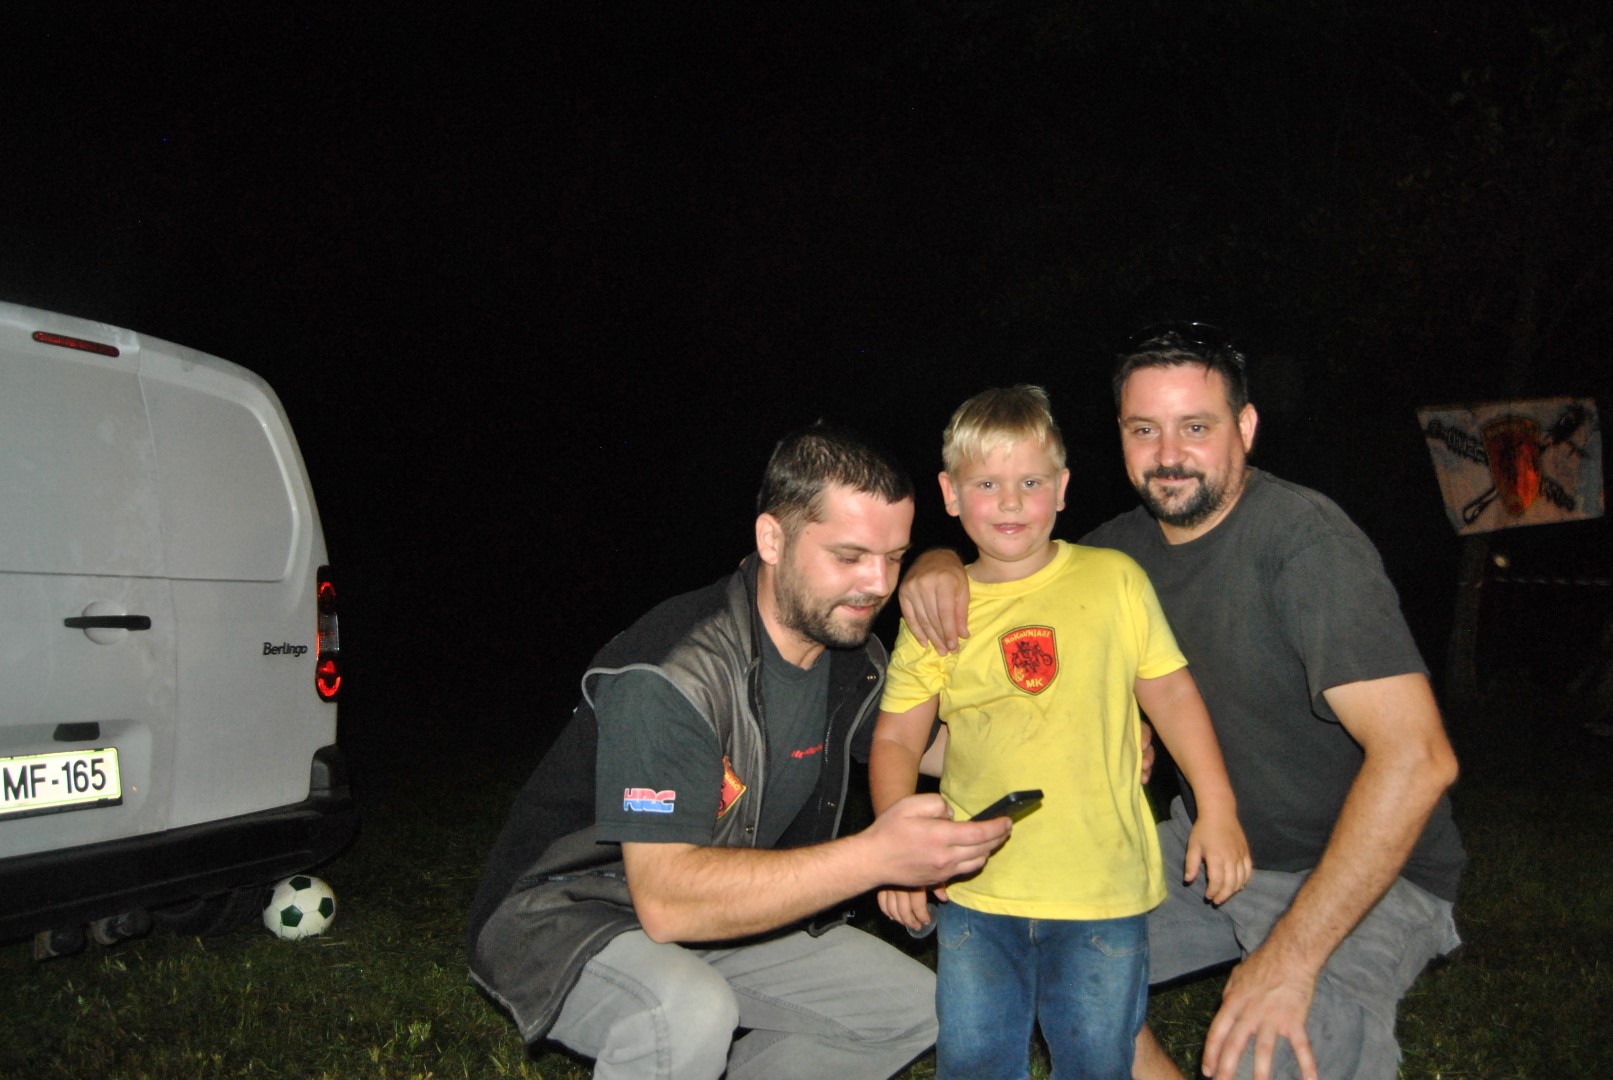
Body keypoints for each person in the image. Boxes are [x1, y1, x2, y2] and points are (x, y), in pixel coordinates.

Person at [898, 327, 1465, 1080]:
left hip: (1358, 868)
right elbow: (1003, 558)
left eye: (1195, 427)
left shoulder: (1306, 544)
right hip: (1205, 845)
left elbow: (1418, 759)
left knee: (1270, 1054)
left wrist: (1288, 957)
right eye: (1144, 430)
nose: (1168, 454)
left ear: (1245, 427)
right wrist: (934, 562)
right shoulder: (1113, 558)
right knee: (1035, 957)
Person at [466, 422, 1012, 1080]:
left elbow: (936, 748)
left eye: (895, 557)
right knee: (684, 1013)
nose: (877, 583)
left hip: (717, 906)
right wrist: (877, 856)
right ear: (771, 539)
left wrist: (1064, 739)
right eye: (849, 556)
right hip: (567, 914)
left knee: (916, 1008)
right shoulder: (671, 670)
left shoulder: (851, 657)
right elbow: (666, 901)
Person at [869, 386, 1250, 1080]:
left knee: (1098, 1063)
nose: (1010, 502)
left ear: (1063, 488)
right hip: (975, 890)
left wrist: (1217, 807)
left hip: (1102, 889)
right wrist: (894, 849)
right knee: (976, 1064)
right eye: (987, 484)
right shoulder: (936, 611)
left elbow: (1170, 692)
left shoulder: (1115, 580)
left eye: (1030, 482)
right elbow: (896, 740)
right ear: (950, 495)